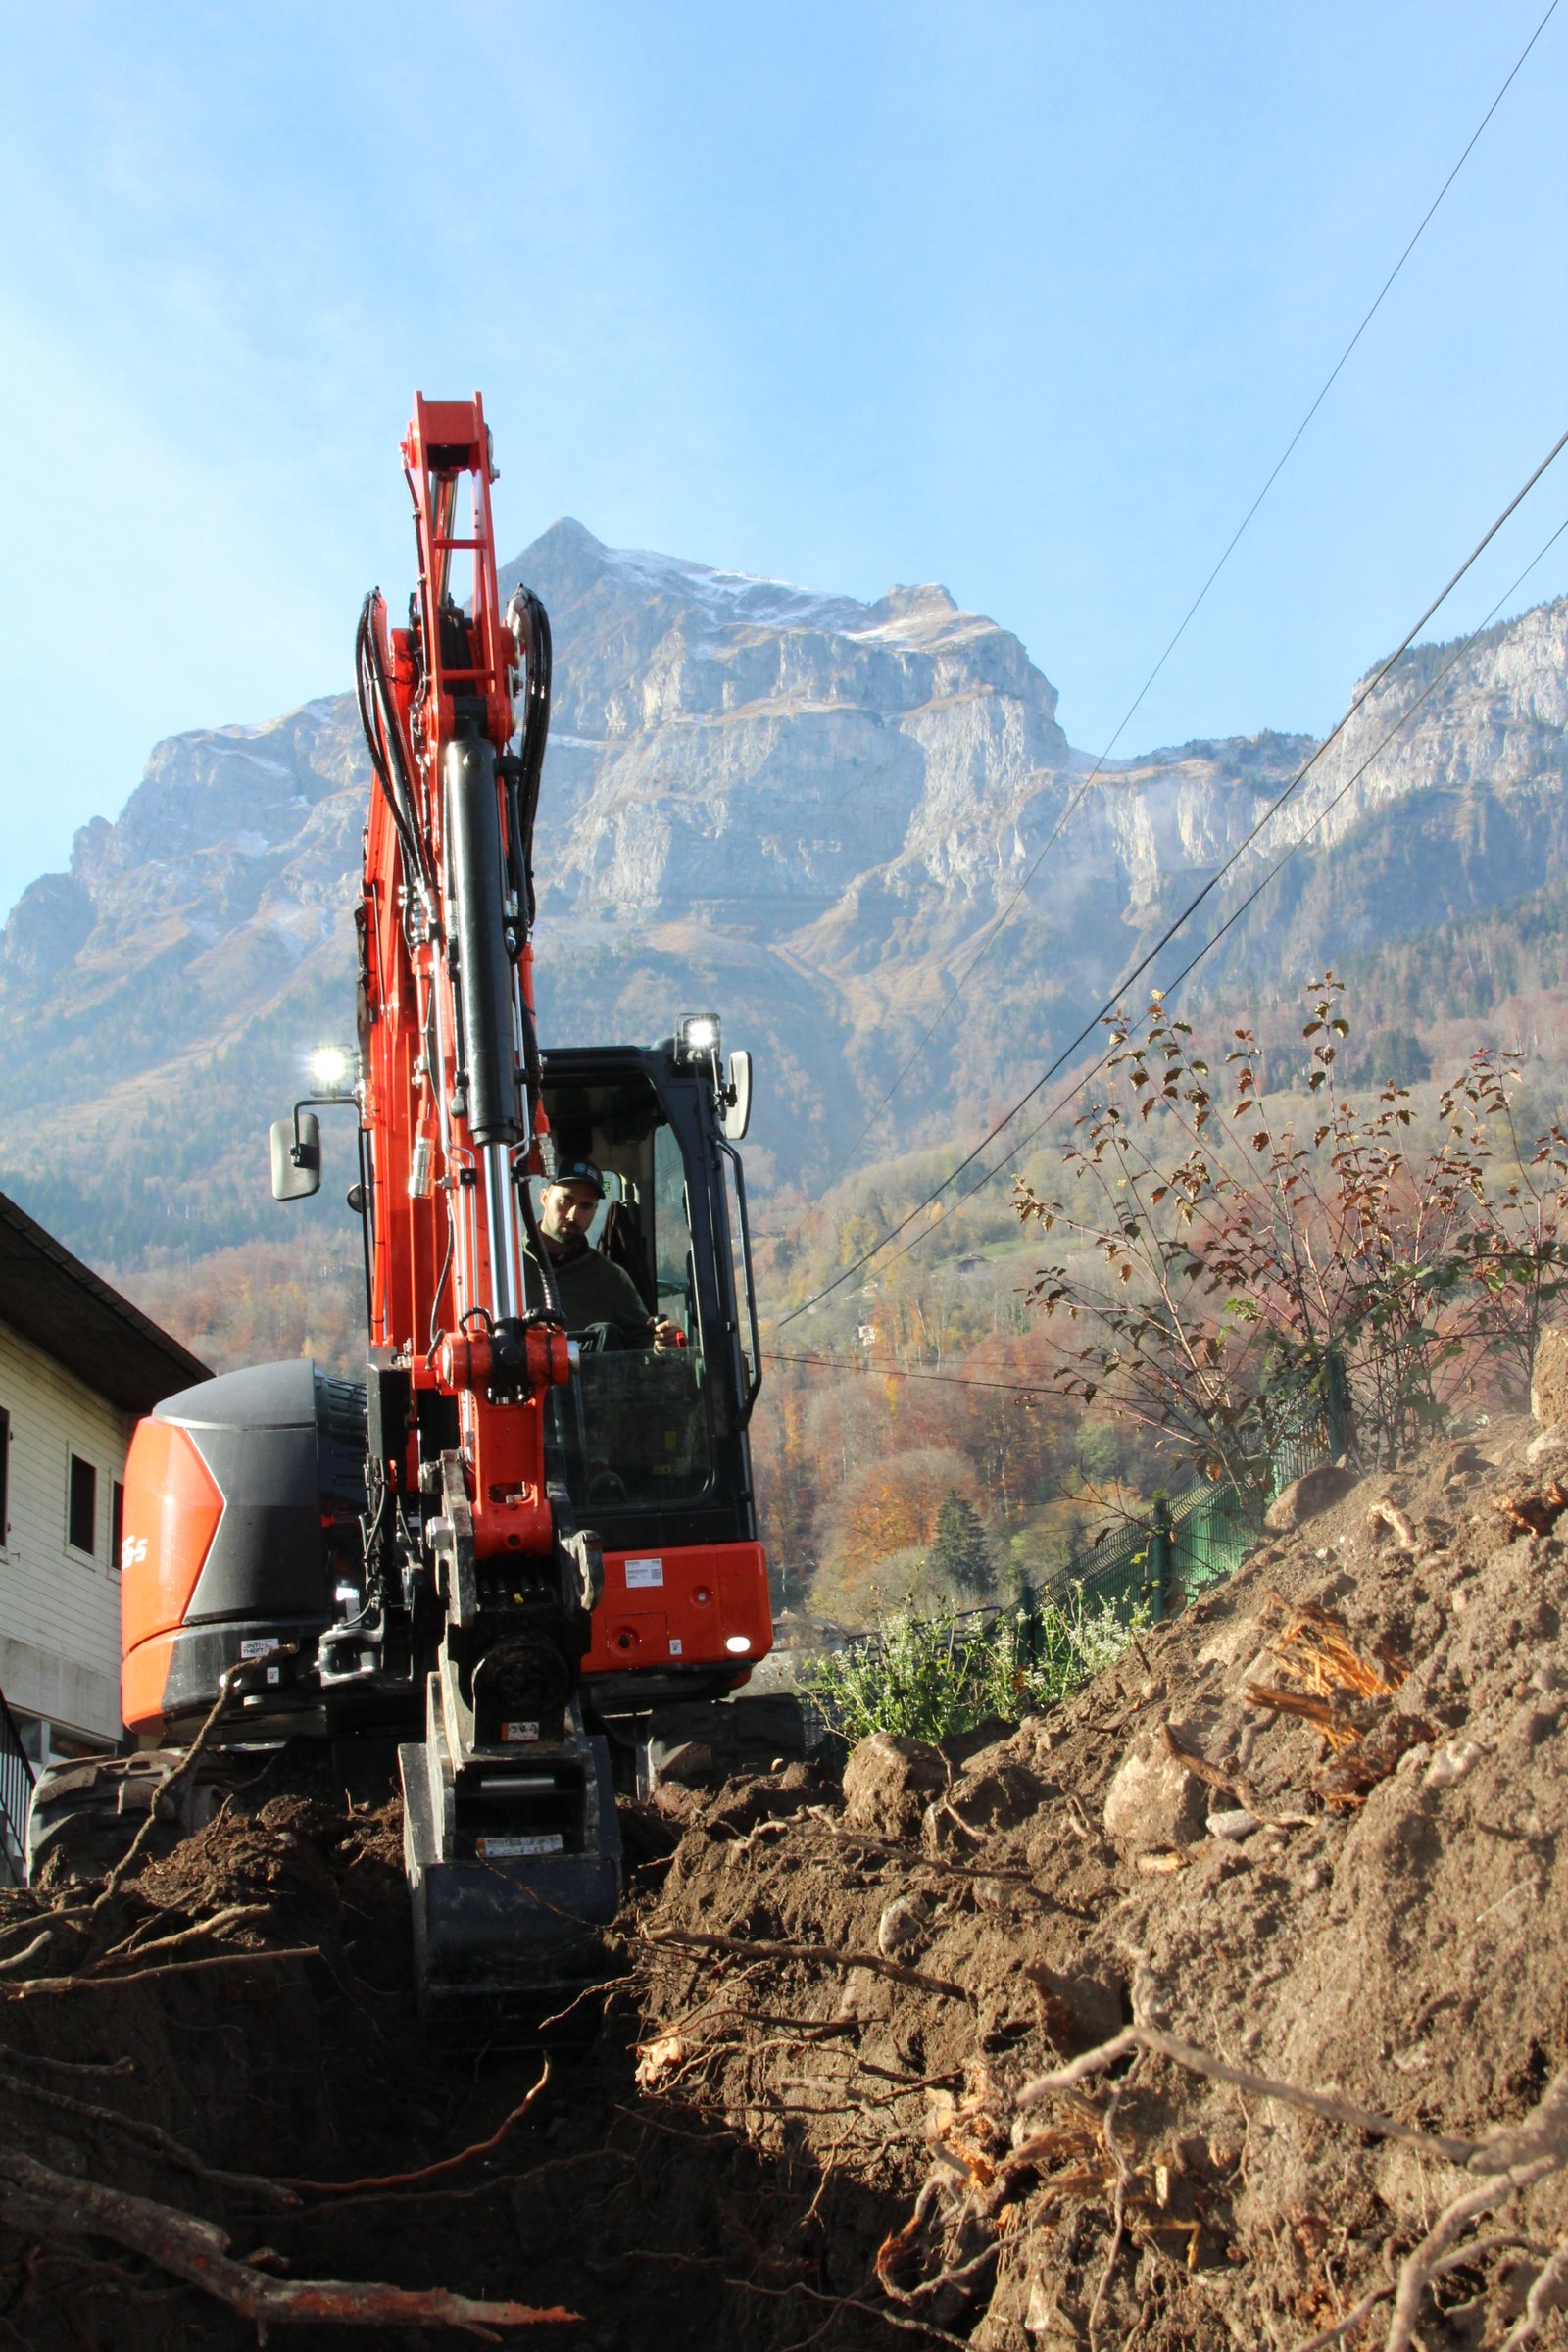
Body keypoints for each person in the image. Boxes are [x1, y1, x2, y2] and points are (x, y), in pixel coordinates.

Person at [527, 1158, 681, 1348]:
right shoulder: (505, 1268)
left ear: (595, 1210)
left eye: (585, 1206)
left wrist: (663, 1341)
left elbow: (643, 1344)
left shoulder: (611, 1278)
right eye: (566, 1200)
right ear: (544, 1198)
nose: (573, 1215)